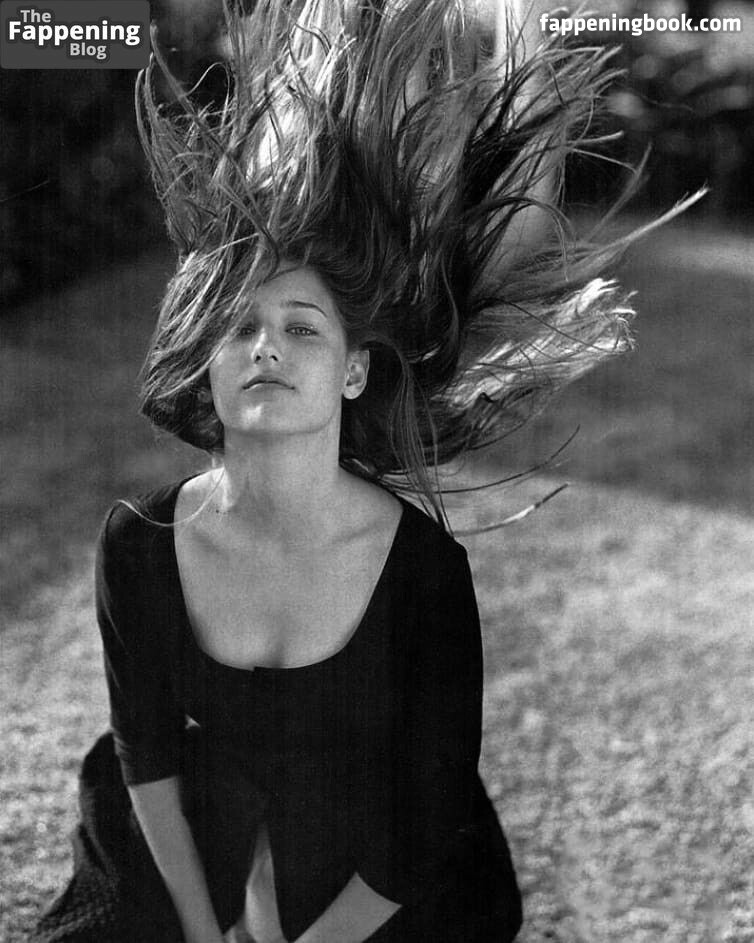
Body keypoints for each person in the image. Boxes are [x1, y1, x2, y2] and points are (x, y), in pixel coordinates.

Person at [31, 1, 666, 940]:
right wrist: (204, 933)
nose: (266, 348)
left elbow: (424, 817)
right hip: (203, 835)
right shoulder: (139, 542)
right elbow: (145, 756)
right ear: (204, 361)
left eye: (302, 328)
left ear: (355, 369)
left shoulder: (424, 572)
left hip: (378, 873)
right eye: (238, 328)